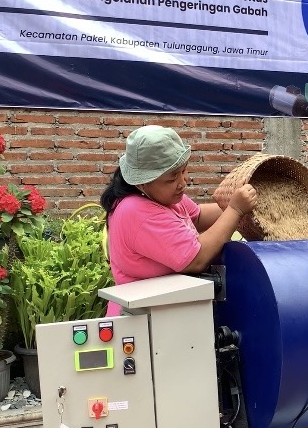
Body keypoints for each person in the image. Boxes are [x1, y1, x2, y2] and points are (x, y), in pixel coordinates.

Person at [99, 125, 257, 316]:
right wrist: (235, 209)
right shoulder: (137, 212)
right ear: (142, 182)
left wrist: (249, 205)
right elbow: (196, 258)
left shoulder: (163, 198)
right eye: (172, 178)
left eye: (183, 171)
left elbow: (197, 216)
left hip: (171, 314)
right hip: (146, 321)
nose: (183, 182)